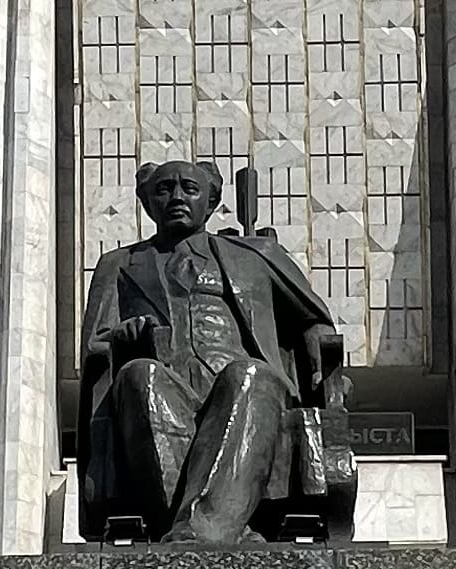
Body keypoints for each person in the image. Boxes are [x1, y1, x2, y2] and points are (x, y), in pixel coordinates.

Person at [77, 159, 350, 543]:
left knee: (249, 374)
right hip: (166, 397)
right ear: (146, 202)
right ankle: (217, 529)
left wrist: (324, 370)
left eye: (189, 188)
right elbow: (95, 346)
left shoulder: (256, 255)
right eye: (163, 189)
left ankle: (201, 530)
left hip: (248, 394)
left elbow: (312, 320)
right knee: (139, 374)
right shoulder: (119, 265)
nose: (176, 197)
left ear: (211, 201)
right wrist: (124, 336)